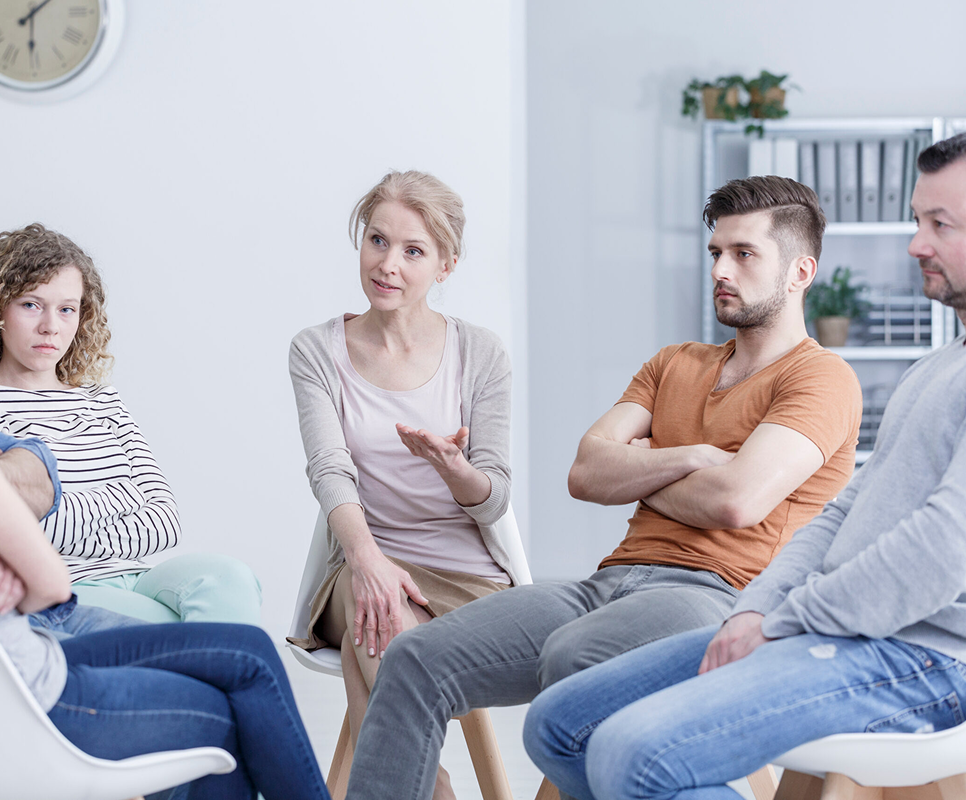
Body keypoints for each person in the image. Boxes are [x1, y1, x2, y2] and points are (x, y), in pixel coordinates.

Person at [522, 130, 966, 800]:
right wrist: (753, 610)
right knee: (559, 724)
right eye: (915, 220)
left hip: (926, 658)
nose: (915, 244)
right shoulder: (939, 365)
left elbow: (948, 550)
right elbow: (844, 511)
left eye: (941, 224)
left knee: (629, 752)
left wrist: (788, 619)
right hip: (849, 630)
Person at [343, 175, 863, 800]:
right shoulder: (675, 363)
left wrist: (642, 472)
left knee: (574, 656)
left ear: (801, 271)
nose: (721, 269)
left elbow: (736, 500)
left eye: (744, 254)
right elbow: (586, 472)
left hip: (716, 599)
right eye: (715, 252)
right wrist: (694, 458)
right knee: (414, 660)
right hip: (609, 583)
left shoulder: (822, 378)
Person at [0, 186, 330, 800]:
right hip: (27, 678)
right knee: (237, 682)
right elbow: (53, 585)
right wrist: (11, 542)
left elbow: (150, 520)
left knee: (234, 644)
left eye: (68, 309)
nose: (51, 325)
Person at [287, 170, 517, 797]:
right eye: (377, 241)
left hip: (469, 577)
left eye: (413, 251)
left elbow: (495, 495)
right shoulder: (317, 350)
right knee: (388, 624)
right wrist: (368, 562)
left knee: (389, 650)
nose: (388, 264)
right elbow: (329, 469)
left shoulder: (482, 354)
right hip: (363, 567)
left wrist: (456, 472)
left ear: (446, 264)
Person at [0, 224, 262, 626]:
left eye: (66, 309)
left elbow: (165, 521)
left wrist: (55, 505)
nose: (50, 327)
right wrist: (120, 497)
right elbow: (2, 527)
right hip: (65, 586)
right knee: (172, 630)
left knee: (230, 579)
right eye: (30, 304)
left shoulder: (102, 400)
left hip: (140, 575)